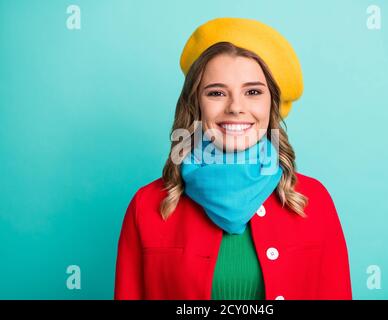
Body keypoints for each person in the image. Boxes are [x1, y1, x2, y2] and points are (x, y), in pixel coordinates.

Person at [114, 17, 352, 300]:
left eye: (253, 92)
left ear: (271, 104)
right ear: (195, 105)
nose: (236, 107)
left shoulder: (314, 201)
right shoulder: (148, 205)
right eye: (216, 93)